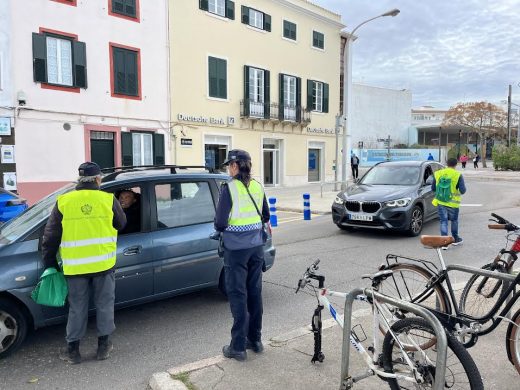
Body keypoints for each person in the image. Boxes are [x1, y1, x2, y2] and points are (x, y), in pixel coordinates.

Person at [42, 162, 126, 364]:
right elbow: (121, 224)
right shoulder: (107, 199)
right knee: (104, 305)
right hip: (103, 265)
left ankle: (73, 351)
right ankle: (103, 348)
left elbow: (51, 236)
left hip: (75, 267)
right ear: (98, 179)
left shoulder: (64, 201)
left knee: (77, 308)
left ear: (79, 180)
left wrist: (49, 262)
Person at [214, 149, 270, 362]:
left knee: (238, 295)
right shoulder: (257, 185)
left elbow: (220, 223)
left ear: (236, 166)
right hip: (256, 247)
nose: (228, 168)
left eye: (230, 165)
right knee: (254, 292)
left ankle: (237, 347)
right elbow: (265, 215)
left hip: (236, 250)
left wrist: (225, 226)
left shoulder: (229, 188)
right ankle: (255, 340)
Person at [431, 157, 466, 250]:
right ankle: (455, 239)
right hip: (453, 203)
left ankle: (444, 243)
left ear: (446, 163)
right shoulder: (457, 174)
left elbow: (433, 188)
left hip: (441, 201)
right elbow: (463, 191)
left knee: (443, 221)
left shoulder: (438, 173)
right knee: (454, 221)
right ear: (456, 164)